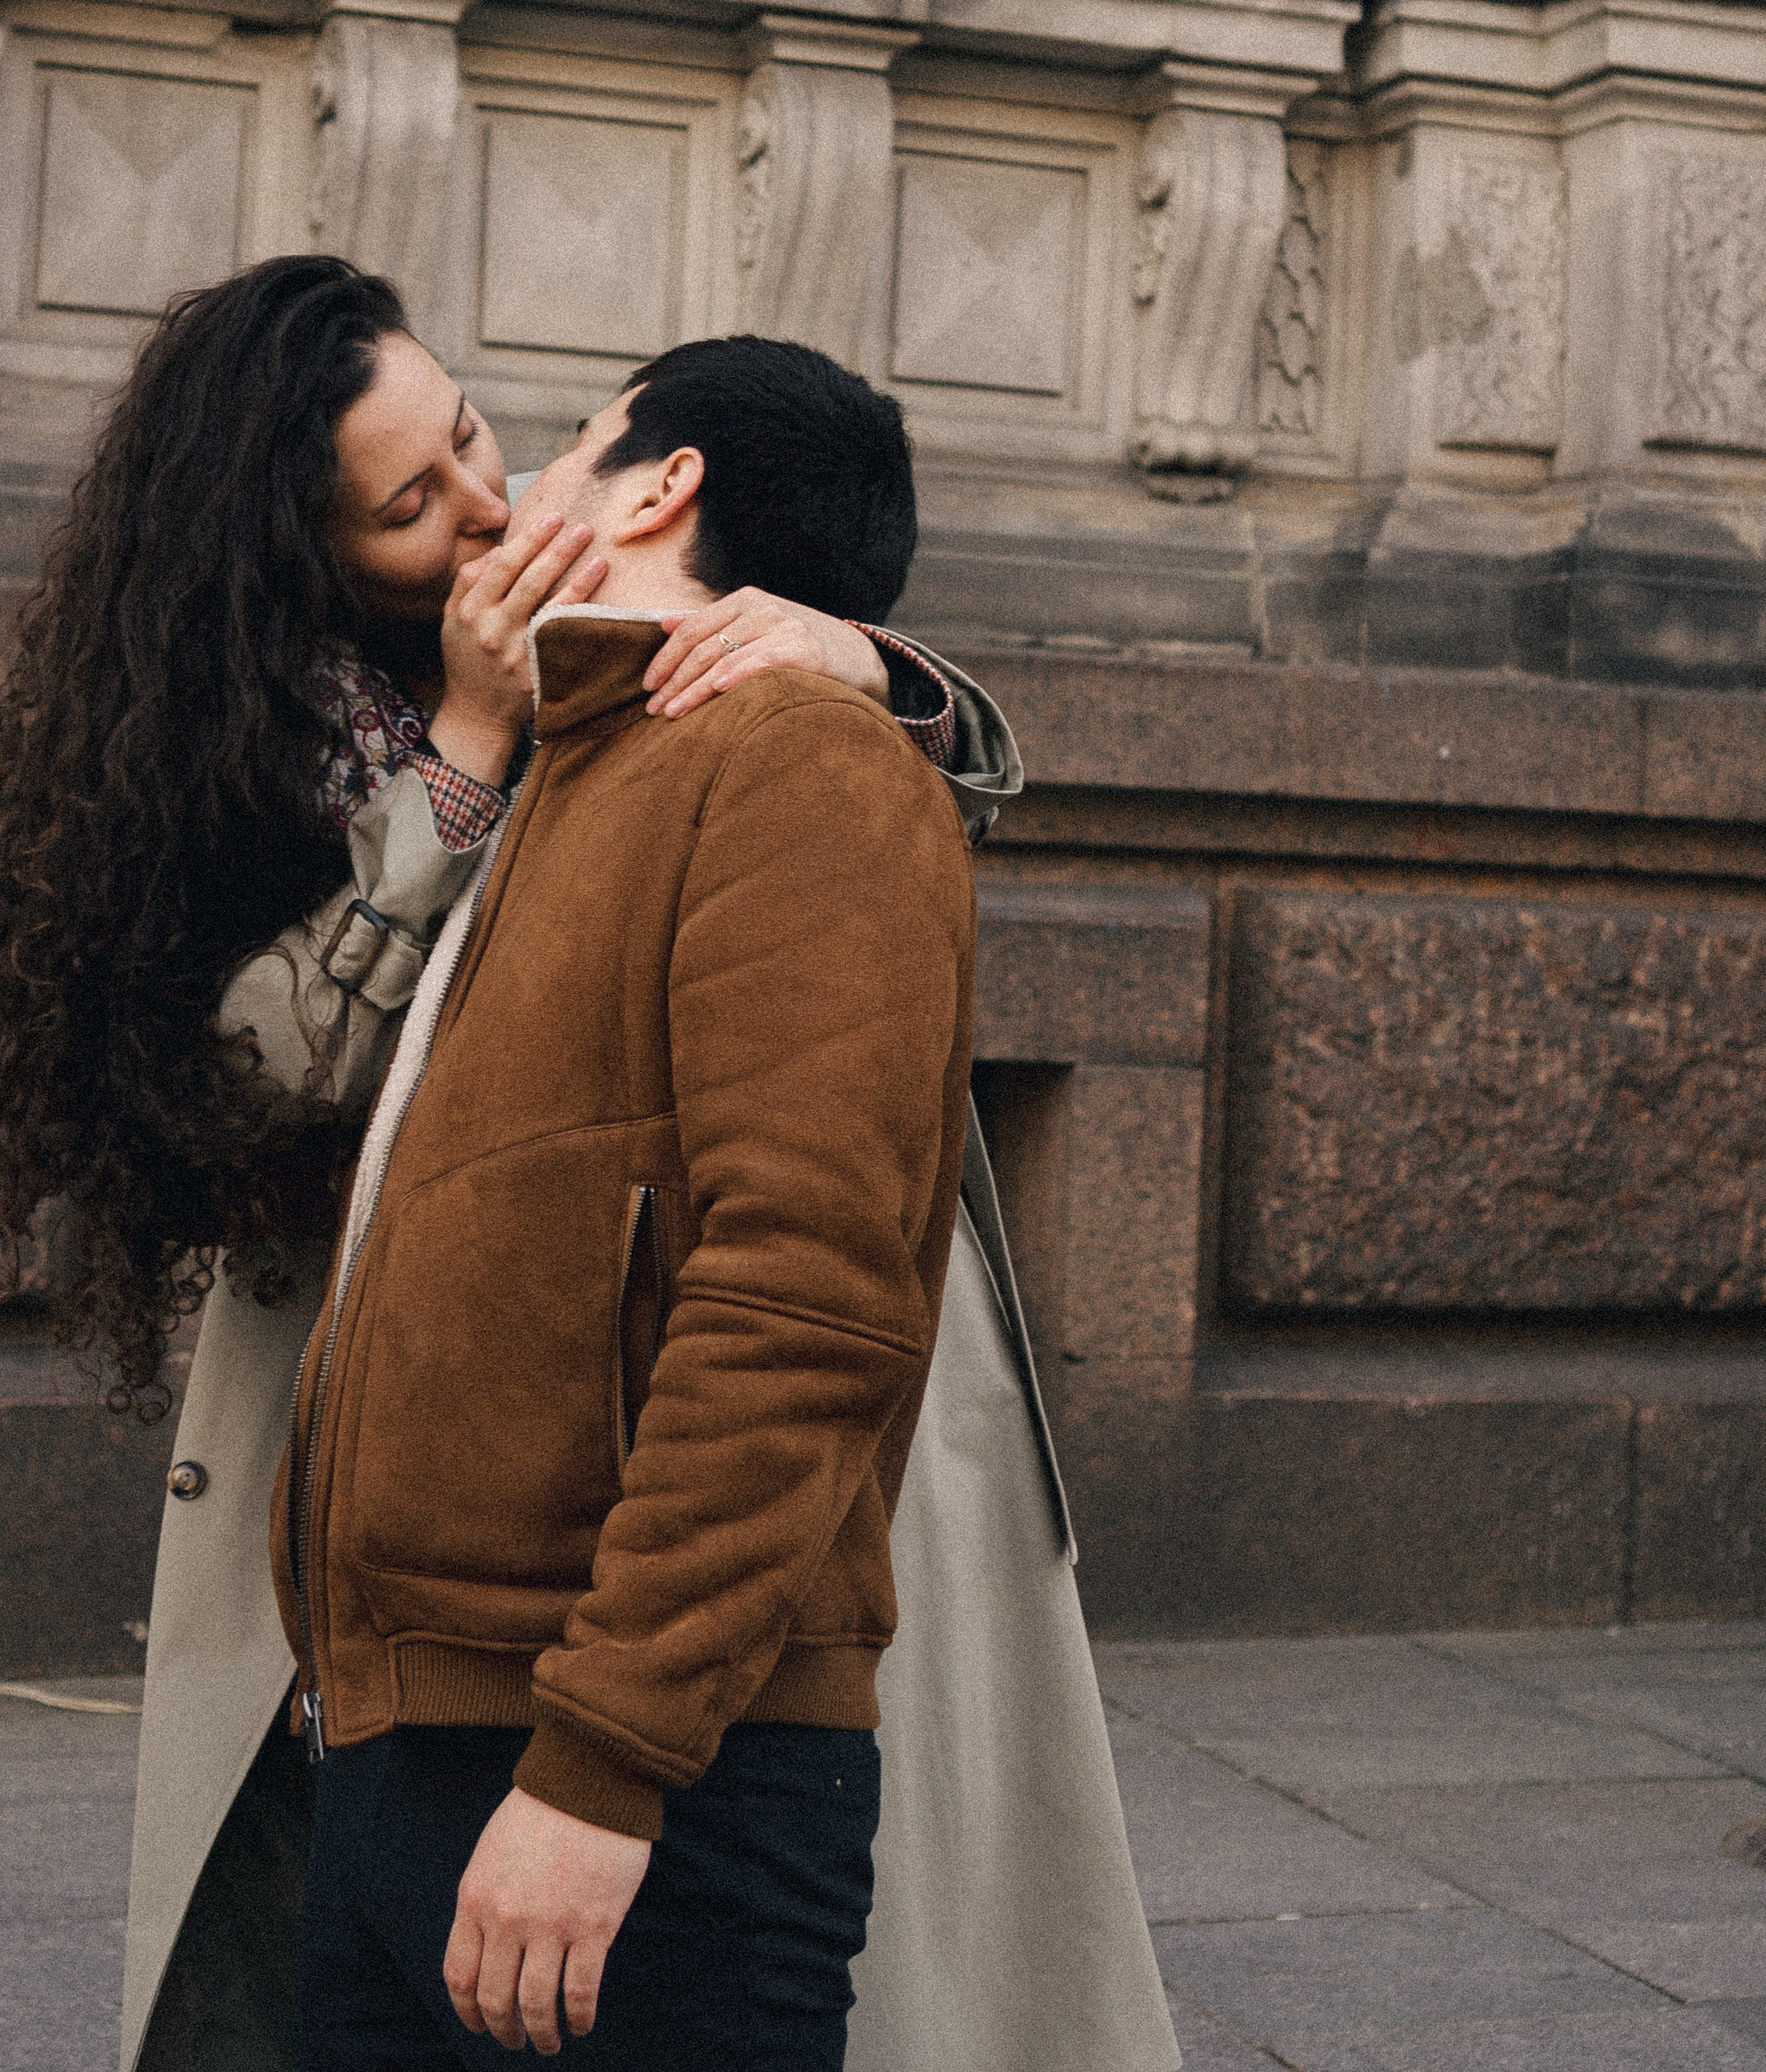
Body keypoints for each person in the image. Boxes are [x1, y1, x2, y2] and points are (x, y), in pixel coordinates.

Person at [0, 261, 1174, 2071]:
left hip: (675, 1511)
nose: (487, 503)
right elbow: (249, 1076)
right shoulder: (227, 744)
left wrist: (868, 661)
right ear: (297, 554)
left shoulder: (690, 686)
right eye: (411, 504)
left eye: (478, 435)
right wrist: (470, 750)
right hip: (388, 1502)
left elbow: (802, 1247)